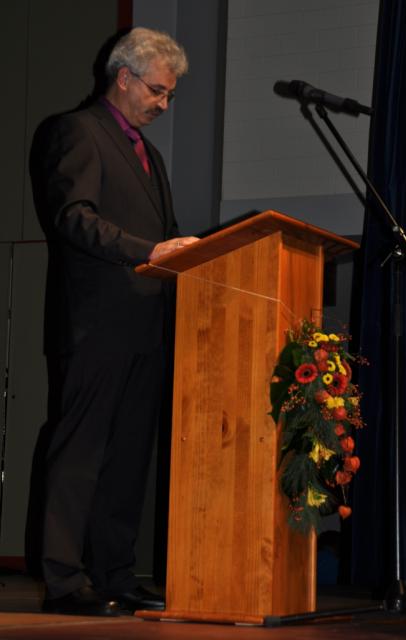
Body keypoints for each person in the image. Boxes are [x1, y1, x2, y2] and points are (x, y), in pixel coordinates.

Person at [30, 27, 198, 617]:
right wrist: (147, 252)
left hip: (146, 327)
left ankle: (115, 574)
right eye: (157, 91)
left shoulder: (150, 156)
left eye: (170, 94)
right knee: (80, 454)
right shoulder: (76, 131)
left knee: (128, 459)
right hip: (95, 325)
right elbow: (73, 217)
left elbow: (168, 237)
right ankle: (63, 580)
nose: (164, 104)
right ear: (123, 78)